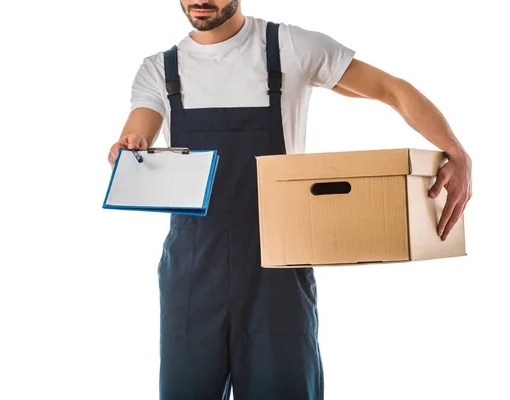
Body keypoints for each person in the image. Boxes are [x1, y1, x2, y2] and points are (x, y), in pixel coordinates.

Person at [108, 1, 473, 399]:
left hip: (278, 265)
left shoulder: (290, 47)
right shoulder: (160, 69)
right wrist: (129, 147)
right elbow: (136, 133)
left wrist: (455, 151)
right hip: (193, 271)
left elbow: (391, 89)